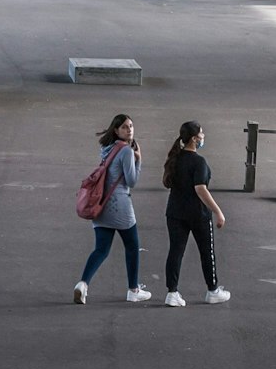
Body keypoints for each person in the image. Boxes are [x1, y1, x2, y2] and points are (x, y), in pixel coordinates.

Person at [72, 114, 150, 305]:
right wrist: (139, 160)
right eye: (124, 127)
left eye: (131, 126)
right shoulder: (126, 151)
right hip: (120, 206)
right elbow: (131, 181)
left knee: (101, 249)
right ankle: (133, 290)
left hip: (100, 206)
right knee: (132, 247)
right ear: (116, 130)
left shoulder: (108, 149)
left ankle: (83, 284)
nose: (129, 130)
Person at [161, 120, 230, 307]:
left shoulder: (175, 158)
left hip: (175, 212)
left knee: (175, 252)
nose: (203, 136)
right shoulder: (199, 162)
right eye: (201, 134)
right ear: (193, 139)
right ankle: (212, 290)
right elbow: (200, 189)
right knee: (207, 252)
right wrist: (218, 211)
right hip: (198, 214)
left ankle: (172, 292)